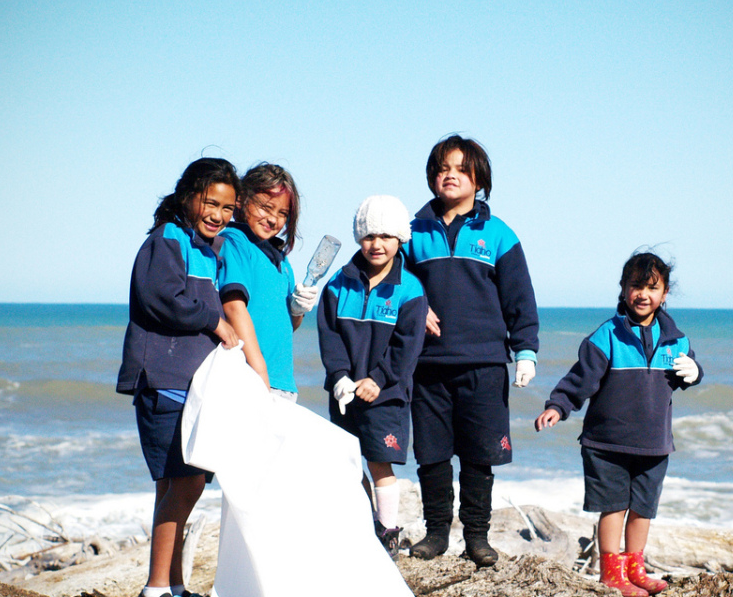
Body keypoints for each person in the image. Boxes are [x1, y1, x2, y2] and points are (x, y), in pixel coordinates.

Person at [116, 157, 241, 597]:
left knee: (176, 483)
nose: (220, 214)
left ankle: (172, 587)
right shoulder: (167, 238)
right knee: (186, 481)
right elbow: (159, 296)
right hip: (163, 379)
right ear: (189, 195)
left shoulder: (211, 249)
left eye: (229, 208)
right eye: (212, 202)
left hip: (190, 384)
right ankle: (154, 592)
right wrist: (213, 321)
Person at [402, 135, 539, 567]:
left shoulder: (498, 234)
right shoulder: (412, 231)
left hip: (483, 364)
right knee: (432, 455)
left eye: (462, 169)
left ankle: (477, 537)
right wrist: (415, 306)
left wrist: (526, 352)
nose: (451, 175)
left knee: (480, 455)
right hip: (427, 366)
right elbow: (389, 278)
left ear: (479, 180)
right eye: (443, 168)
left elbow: (520, 299)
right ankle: (437, 533)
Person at [534, 251, 703, 597]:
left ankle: (635, 569)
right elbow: (579, 379)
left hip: (655, 443)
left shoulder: (677, 339)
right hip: (606, 443)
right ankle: (610, 572)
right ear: (624, 289)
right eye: (635, 286)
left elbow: (688, 373)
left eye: (652, 288)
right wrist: (558, 406)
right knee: (613, 506)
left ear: (665, 293)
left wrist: (695, 373)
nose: (643, 294)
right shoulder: (607, 335)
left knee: (643, 508)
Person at [317, 195, 428, 557]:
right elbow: (329, 336)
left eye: (385, 236)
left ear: (400, 239)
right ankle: (362, 526)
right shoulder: (337, 285)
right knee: (347, 465)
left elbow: (407, 346)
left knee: (380, 463)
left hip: (387, 395)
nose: (376, 244)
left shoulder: (410, 289)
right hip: (345, 395)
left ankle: (388, 531)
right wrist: (339, 377)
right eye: (368, 236)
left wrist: (378, 379)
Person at [219, 163, 318, 399]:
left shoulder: (282, 260)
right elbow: (234, 307)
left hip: (283, 382)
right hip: (249, 378)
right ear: (241, 200)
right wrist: (259, 374)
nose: (273, 219)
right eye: (266, 207)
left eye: (283, 213)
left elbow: (287, 326)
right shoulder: (235, 241)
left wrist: (297, 310)